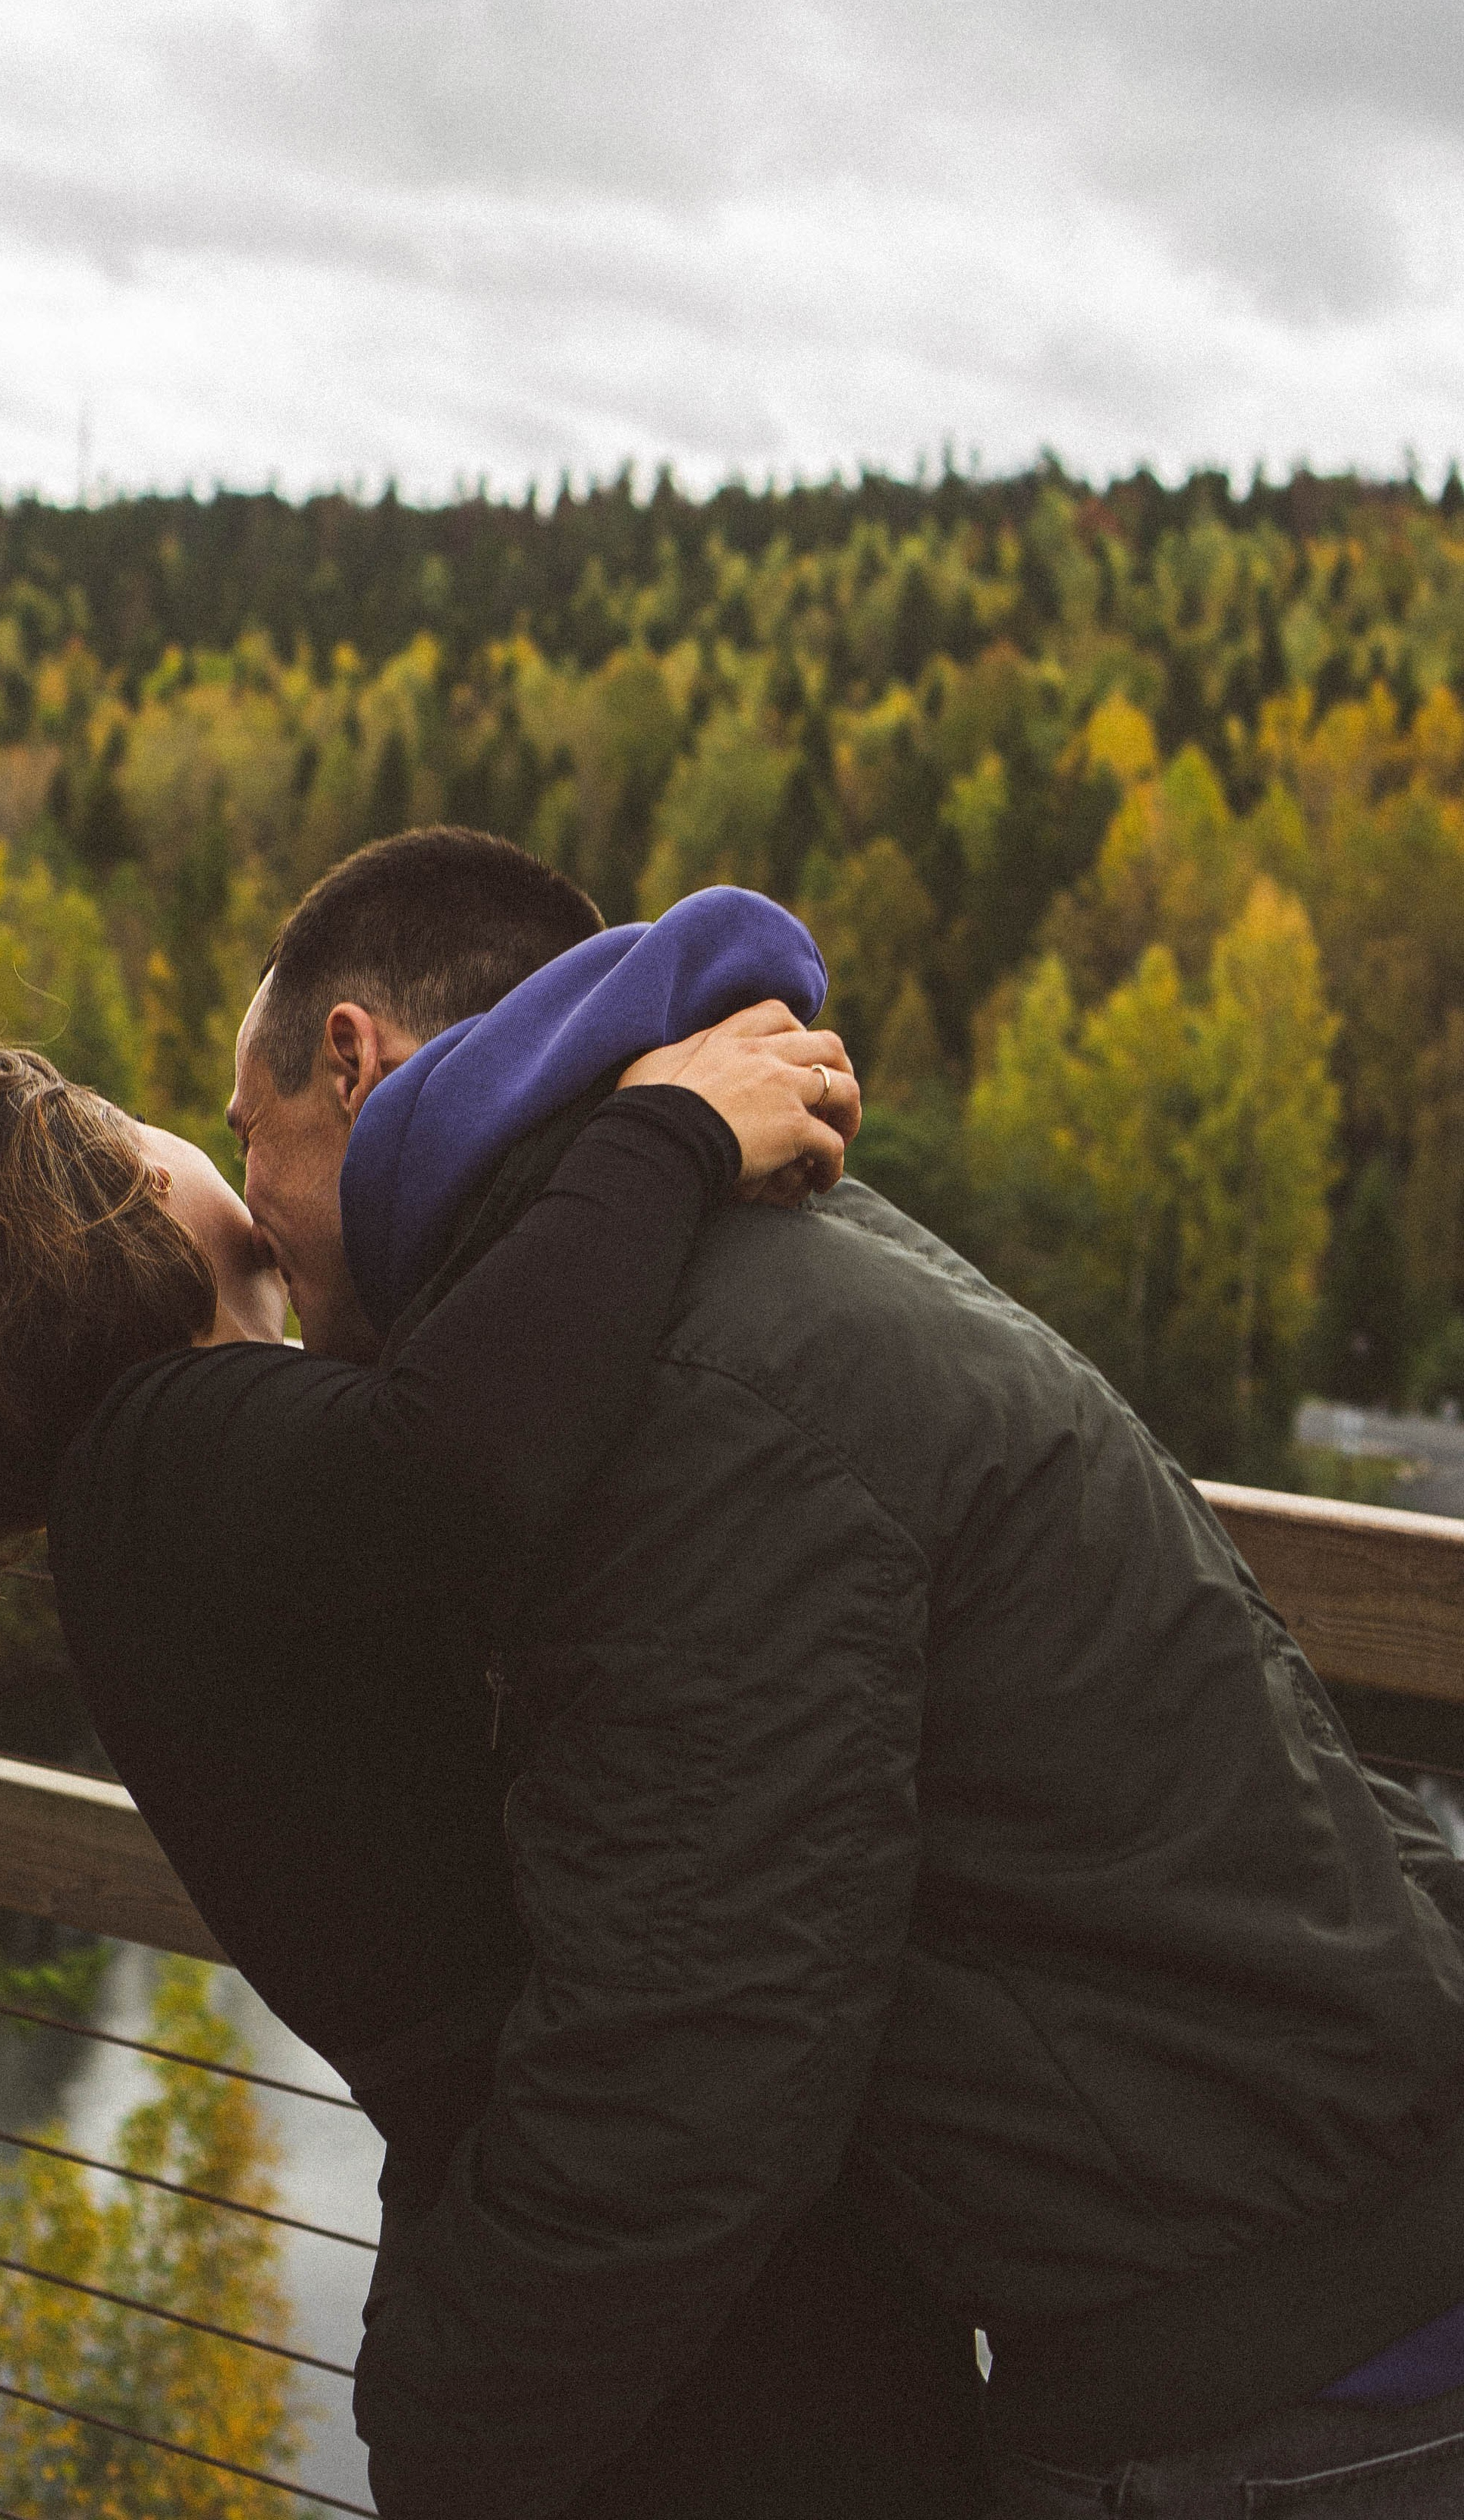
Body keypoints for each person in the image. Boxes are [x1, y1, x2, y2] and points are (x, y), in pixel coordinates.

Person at [0, 884, 979, 2518]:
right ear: (99, 1202)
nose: (196, 1136)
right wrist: (661, 1135)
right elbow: (455, 1462)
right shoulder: (173, 1458)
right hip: (639, 2244)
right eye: (144, 1120)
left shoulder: (163, 1503)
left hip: (552, 2193)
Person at [214, 828, 1464, 2520]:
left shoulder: (680, 1391)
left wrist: (437, 2433)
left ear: (349, 1064)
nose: (251, 1211)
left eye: (246, 1139)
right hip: (1270, 2281)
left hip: (1268, 2392)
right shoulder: (760, 1256)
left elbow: (689, 2042)